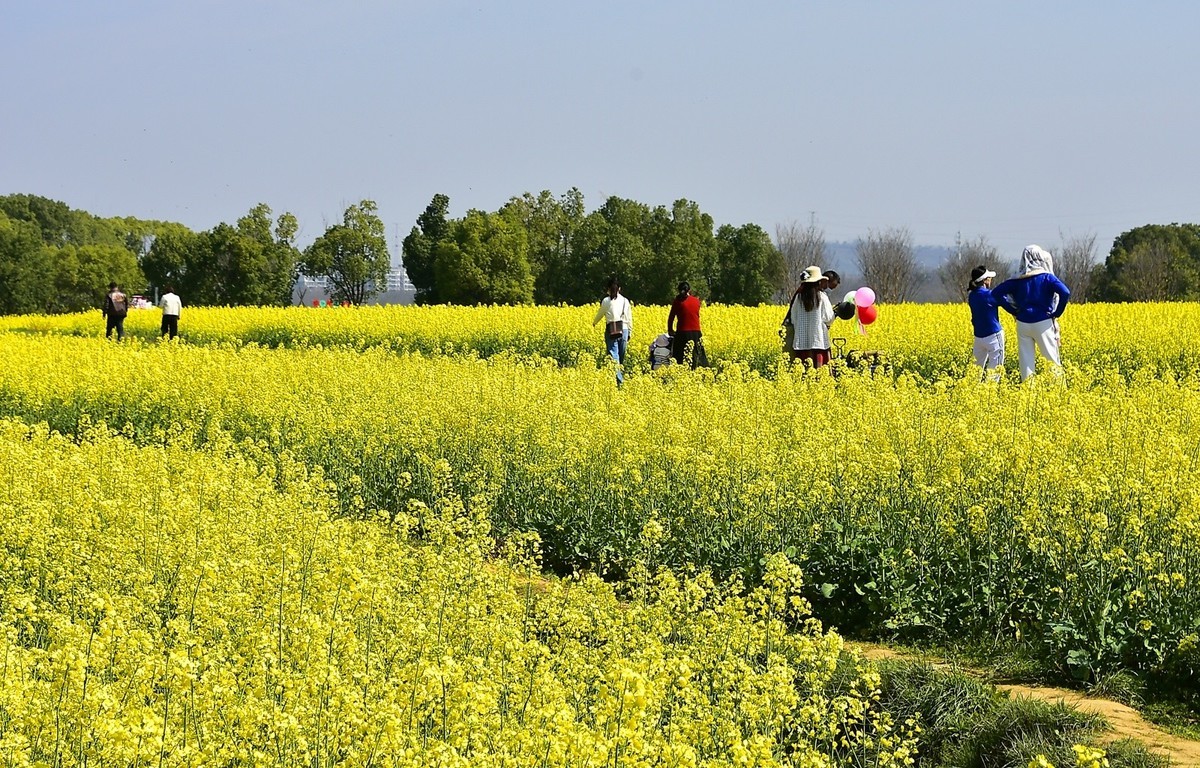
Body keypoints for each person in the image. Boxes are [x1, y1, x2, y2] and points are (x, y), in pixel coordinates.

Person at [991, 245, 1071, 381]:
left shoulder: (1017, 280)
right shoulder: (1046, 277)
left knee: (1026, 362)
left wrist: (1013, 310)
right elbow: (1065, 292)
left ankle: (1029, 392)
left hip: (1023, 323)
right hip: (1043, 322)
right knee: (1051, 360)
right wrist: (1057, 313)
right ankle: (1058, 391)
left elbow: (996, 293)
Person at [788, 265, 835, 368]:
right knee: (820, 374)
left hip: (801, 344)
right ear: (818, 282)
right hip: (819, 342)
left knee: (803, 373)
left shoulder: (798, 298)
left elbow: (793, 318)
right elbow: (829, 318)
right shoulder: (822, 297)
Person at [592, 276, 632, 386]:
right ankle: (618, 378)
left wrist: (594, 322)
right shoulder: (625, 301)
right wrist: (630, 331)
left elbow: (600, 313)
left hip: (612, 330)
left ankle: (619, 380)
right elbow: (629, 317)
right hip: (624, 330)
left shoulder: (606, 301)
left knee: (614, 356)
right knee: (620, 356)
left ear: (608, 288)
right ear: (620, 288)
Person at [967, 265, 1004, 379]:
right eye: (989, 277)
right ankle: (989, 393)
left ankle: (972, 391)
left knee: (975, 371)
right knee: (995, 371)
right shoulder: (990, 295)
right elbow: (1007, 303)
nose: (991, 279)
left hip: (979, 337)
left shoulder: (972, 296)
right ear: (984, 280)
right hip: (994, 336)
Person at [667, 281, 704, 368]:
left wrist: (670, 330)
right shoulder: (696, 301)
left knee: (679, 357)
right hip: (696, 332)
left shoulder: (677, 301)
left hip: (683, 332)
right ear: (689, 290)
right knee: (697, 355)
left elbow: (671, 317)